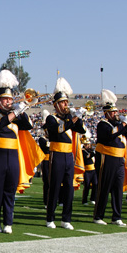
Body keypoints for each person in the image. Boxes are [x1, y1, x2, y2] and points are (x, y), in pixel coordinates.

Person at [0, 70, 36, 233]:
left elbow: (29, 125)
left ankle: (8, 222)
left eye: (10, 99)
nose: (8, 102)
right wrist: (15, 112)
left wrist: (22, 109)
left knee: (10, 190)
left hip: (13, 157)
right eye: (5, 99)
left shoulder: (17, 115)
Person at [43, 78, 86, 230]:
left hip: (69, 156)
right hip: (56, 154)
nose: (65, 105)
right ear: (56, 105)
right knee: (54, 187)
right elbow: (60, 129)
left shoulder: (69, 117)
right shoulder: (51, 118)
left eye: (66, 102)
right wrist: (73, 118)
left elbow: (82, 130)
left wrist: (78, 117)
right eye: (62, 102)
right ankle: (50, 218)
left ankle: (66, 219)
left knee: (69, 187)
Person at [93, 89, 127, 226]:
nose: (116, 114)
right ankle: (98, 215)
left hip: (119, 159)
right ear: (106, 114)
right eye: (113, 112)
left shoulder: (118, 125)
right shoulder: (103, 124)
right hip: (107, 158)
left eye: (116, 112)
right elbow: (111, 135)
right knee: (104, 187)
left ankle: (117, 217)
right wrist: (122, 125)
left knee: (118, 189)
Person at [81, 132, 97, 206]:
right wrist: (93, 152)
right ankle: (84, 200)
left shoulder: (89, 150)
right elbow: (87, 157)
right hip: (87, 170)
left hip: (93, 170)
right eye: (86, 144)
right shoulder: (83, 151)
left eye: (88, 144)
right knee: (87, 185)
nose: (88, 146)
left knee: (95, 184)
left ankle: (93, 199)